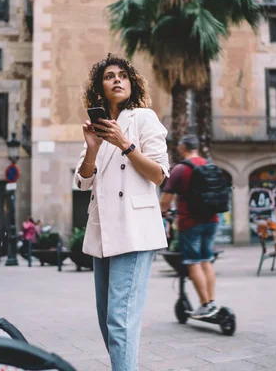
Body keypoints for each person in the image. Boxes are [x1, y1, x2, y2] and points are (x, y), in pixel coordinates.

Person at [73, 53, 169, 371]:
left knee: (120, 320)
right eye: (109, 76)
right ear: (100, 88)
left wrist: (126, 144)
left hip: (134, 228)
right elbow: (83, 182)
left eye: (123, 75)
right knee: (107, 320)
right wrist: (92, 147)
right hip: (103, 231)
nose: (117, 79)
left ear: (132, 84)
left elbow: (159, 174)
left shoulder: (143, 118)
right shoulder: (97, 130)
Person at [159, 135, 220, 319]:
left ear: (182, 147)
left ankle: (205, 305)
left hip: (190, 222)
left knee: (193, 263)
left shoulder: (180, 169)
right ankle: (212, 302)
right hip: (212, 220)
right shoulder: (210, 165)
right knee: (206, 261)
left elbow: (165, 201)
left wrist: (164, 212)